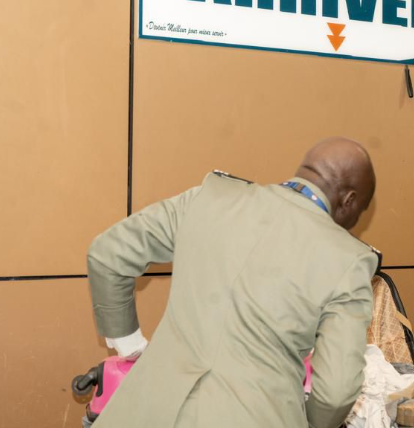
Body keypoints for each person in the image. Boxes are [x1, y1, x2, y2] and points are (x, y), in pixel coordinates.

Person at [86, 137, 379, 428]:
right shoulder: (348, 260)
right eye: (360, 212)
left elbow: (108, 252)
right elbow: (336, 392)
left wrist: (131, 345)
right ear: (349, 200)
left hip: (144, 413)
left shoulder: (211, 197)